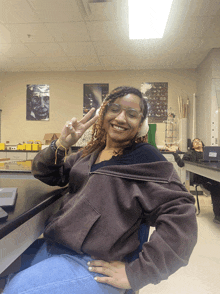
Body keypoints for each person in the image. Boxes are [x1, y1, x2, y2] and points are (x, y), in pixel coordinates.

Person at [4, 86, 197, 294]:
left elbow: (182, 217)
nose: (121, 118)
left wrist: (138, 273)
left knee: (16, 290)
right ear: (103, 114)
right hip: (54, 246)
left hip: (92, 263)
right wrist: (60, 144)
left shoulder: (146, 158)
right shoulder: (89, 154)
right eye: (115, 109)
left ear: (141, 125)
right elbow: (47, 174)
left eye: (132, 114)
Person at [173, 138, 220, 224]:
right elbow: (181, 164)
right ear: (192, 146)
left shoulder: (211, 153)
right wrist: (175, 153)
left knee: (217, 185)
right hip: (200, 178)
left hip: (213, 177)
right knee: (216, 188)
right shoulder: (189, 154)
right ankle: (218, 215)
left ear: (202, 144)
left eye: (199, 141)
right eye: (195, 141)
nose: (197, 142)